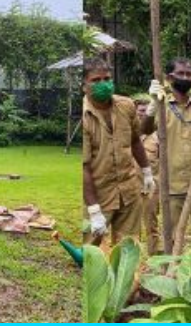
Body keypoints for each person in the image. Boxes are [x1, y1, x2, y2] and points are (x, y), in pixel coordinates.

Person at [145, 58, 191, 250]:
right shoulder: (162, 107)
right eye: (181, 74)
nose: (186, 78)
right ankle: (170, 272)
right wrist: (152, 107)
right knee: (171, 239)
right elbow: (144, 129)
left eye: (189, 74)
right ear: (170, 78)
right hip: (172, 186)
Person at [82, 57, 155, 246]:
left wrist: (146, 172)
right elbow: (85, 167)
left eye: (107, 79)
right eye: (96, 80)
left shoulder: (126, 105)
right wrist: (94, 210)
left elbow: (135, 140)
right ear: (84, 85)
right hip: (99, 194)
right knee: (89, 251)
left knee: (128, 249)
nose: (103, 84)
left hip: (129, 191)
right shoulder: (83, 117)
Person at [133, 95, 161, 254]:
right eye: (139, 111)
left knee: (151, 225)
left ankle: (153, 258)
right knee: (131, 227)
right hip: (130, 187)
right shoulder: (129, 134)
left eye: (145, 111)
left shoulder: (157, 136)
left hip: (151, 189)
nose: (142, 114)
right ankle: (132, 258)